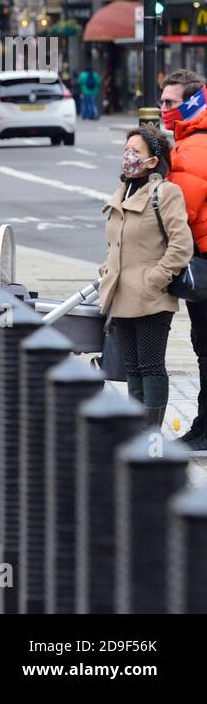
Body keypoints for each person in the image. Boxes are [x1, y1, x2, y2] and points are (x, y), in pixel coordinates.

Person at [99, 126, 193, 430]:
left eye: (135, 151)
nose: (128, 156)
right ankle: (135, 434)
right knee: (131, 368)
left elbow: (181, 246)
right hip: (121, 295)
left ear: (153, 161)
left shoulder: (165, 193)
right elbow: (117, 244)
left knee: (150, 366)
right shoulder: (122, 191)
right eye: (126, 149)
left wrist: (155, 279)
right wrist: (106, 270)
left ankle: (151, 438)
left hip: (152, 297)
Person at [159, 69, 207, 448]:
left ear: (192, 103)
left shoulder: (191, 150)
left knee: (205, 347)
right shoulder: (190, 141)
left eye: (170, 102)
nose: (163, 109)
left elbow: (177, 215)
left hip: (203, 265)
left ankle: (204, 430)